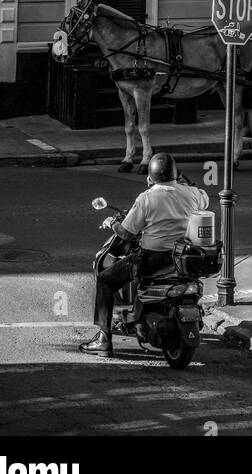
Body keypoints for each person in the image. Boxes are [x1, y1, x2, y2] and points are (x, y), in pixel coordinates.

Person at [79, 151, 210, 359]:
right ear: (176, 174)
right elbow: (204, 199)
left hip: (152, 259)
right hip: (181, 260)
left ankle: (104, 338)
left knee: (105, 281)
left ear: (150, 177)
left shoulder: (147, 198)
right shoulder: (192, 193)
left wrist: (112, 222)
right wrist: (184, 182)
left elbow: (126, 233)